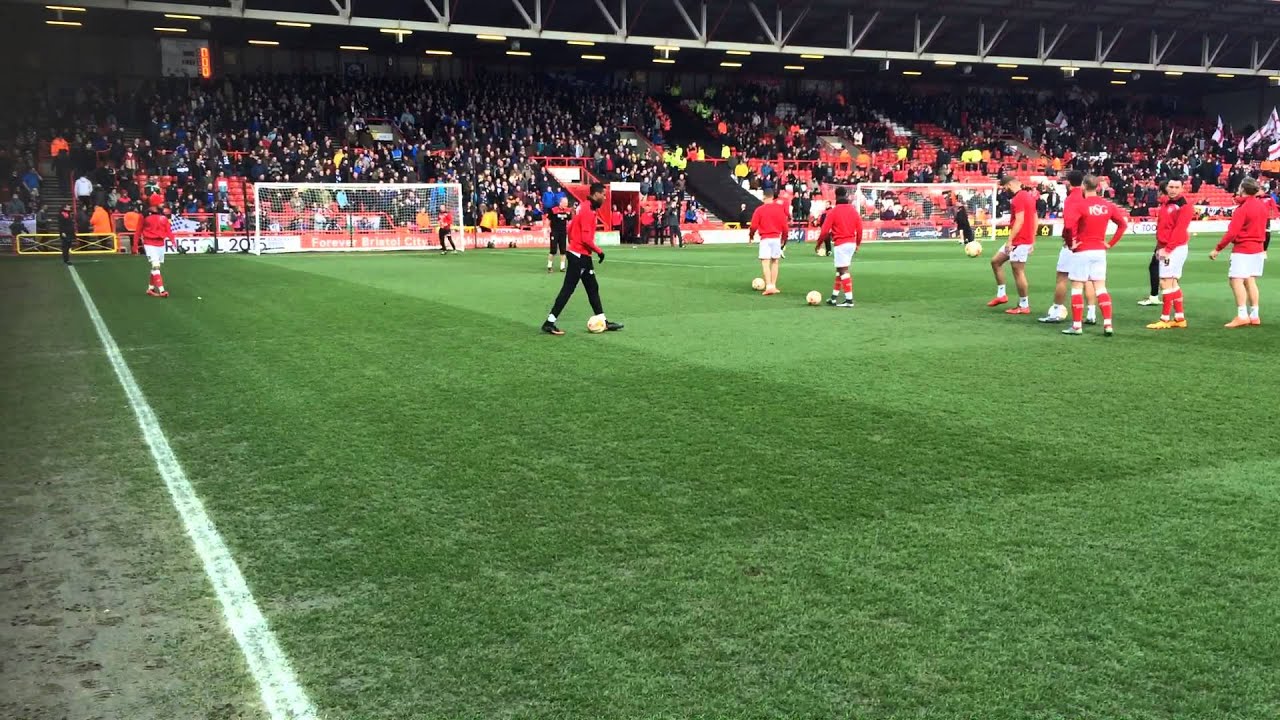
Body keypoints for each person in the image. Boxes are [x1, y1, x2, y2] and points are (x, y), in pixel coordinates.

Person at [542, 183, 623, 336]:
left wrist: (574, 244)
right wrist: (599, 251)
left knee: (593, 288)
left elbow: (571, 228)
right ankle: (549, 322)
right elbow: (586, 238)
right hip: (579, 257)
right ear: (596, 194)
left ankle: (603, 320)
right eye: (603, 195)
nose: (605, 198)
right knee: (568, 289)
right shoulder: (587, 210)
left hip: (582, 255)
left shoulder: (584, 207)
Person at [1061, 175, 1127, 336]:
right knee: (1101, 287)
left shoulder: (1080, 205)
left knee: (1077, 287)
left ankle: (1077, 326)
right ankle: (1108, 324)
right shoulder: (1107, 205)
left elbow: (1068, 227)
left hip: (1082, 250)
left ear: (1083, 186)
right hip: (1099, 251)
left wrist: (1071, 244)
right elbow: (1123, 225)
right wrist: (1110, 243)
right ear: (1098, 187)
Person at [1040, 170, 1096, 323]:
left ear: (1069, 182)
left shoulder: (1071, 198)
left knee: (1062, 278)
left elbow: (1070, 225)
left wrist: (1069, 241)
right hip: (1090, 244)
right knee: (1089, 279)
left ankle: (1056, 311)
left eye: (1065, 181)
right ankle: (1091, 314)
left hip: (1074, 244)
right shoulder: (1089, 197)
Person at [1209, 177, 1267, 327]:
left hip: (1244, 249)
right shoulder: (1262, 206)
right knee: (1250, 280)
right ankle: (1255, 315)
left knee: (1236, 280)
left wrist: (1218, 248)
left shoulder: (1242, 209)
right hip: (1258, 248)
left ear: (1243, 189)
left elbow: (1232, 233)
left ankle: (1242, 315)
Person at [1146, 178, 1195, 330]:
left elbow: (1179, 230)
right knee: (1172, 282)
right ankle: (1179, 318)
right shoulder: (1167, 203)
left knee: (1165, 281)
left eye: (1176, 187)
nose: (1173, 189)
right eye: (1171, 186)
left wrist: (1167, 250)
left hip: (1174, 248)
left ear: (1182, 188)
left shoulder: (1184, 206)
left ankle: (1165, 319)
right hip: (1168, 247)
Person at [989, 175, 1037, 314]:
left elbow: (1020, 220)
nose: (1004, 191)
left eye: (1004, 188)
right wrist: (1032, 240)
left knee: (1018, 271)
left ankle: (1024, 305)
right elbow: (1035, 219)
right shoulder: (1028, 196)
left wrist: (1010, 241)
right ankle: (1001, 295)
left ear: (1009, 185)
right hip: (1022, 239)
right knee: (995, 261)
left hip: (1019, 240)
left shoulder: (1018, 198)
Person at [817, 186, 863, 307]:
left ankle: (849, 300)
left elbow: (824, 231)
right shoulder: (853, 210)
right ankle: (833, 298)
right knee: (840, 270)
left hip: (841, 244)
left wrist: (818, 245)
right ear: (846, 196)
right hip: (851, 243)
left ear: (836, 196)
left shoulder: (833, 211)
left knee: (843, 270)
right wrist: (857, 244)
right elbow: (860, 229)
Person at [748, 190, 789, 296]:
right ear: (772, 197)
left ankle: (768, 286)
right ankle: (773, 286)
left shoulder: (759, 210)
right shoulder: (779, 210)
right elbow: (785, 227)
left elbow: (753, 226)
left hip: (765, 239)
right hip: (776, 238)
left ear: (764, 197)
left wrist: (751, 236)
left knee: (765, 263)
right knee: (775, 262)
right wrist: (784, 239)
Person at [140, 205, 175, 298]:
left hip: (160, 244)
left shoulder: (159, 219)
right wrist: (173, 241)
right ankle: (162, 290)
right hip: (150, 244)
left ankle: (150, 288)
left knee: (156, 267)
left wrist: (173, 241)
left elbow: (168, 231)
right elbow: (169, 231)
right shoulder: (148, 218)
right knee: (156, 266)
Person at [547, 196, 571, 273]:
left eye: (567, 203)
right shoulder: (553, 210)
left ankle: (562, 267)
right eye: (565, 203)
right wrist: (548, 228)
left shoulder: (568, 211)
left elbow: (569, 221)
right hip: (554, 232)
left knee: (563, 250)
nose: (566, 204)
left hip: (563, 232)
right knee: (553, 250)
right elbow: (548, 219)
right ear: (561, 203)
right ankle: (549, 266)